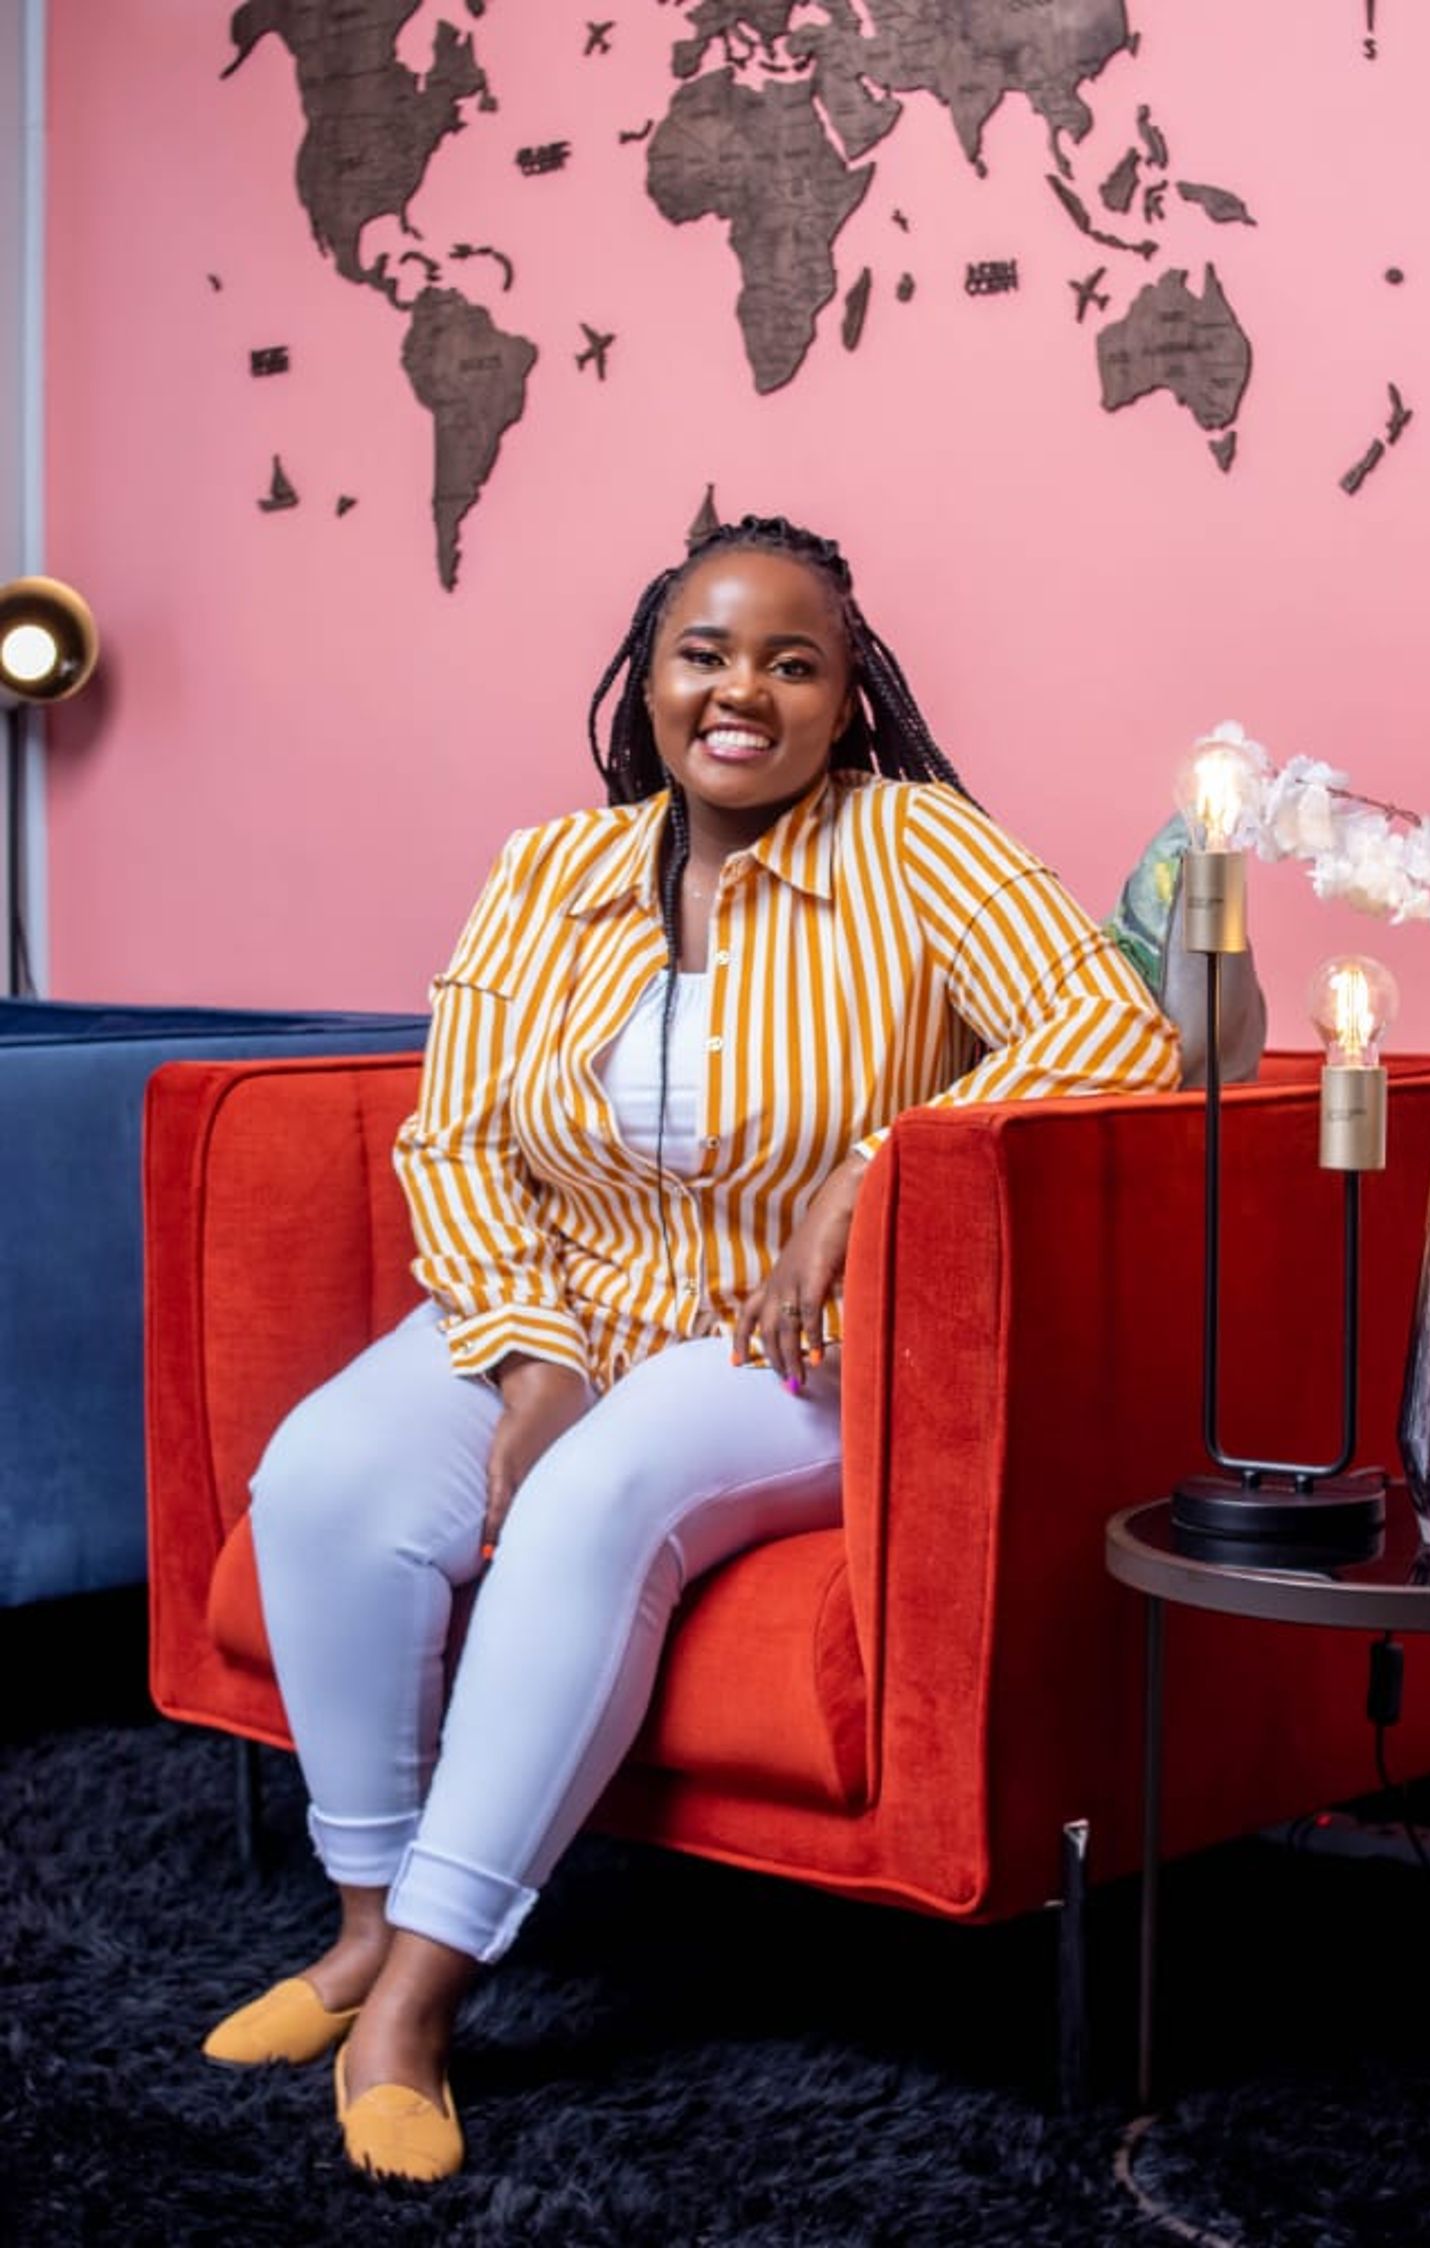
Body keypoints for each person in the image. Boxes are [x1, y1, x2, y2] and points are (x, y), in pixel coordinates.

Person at [202, 513, 1180, 2181]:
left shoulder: (914, 844)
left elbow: (1117, 1030)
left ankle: (416, 2007)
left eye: (793, 664)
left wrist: (875, 1172)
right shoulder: (550, 873)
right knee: (322, 1477)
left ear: (846, 698)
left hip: (790, 1338)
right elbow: (456, 1138)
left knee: (588, 1504)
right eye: (706, 655)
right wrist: (531, 1355)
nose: (743, 693)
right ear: (646, 679)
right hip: (569, 1298)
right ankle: (361, 1924)